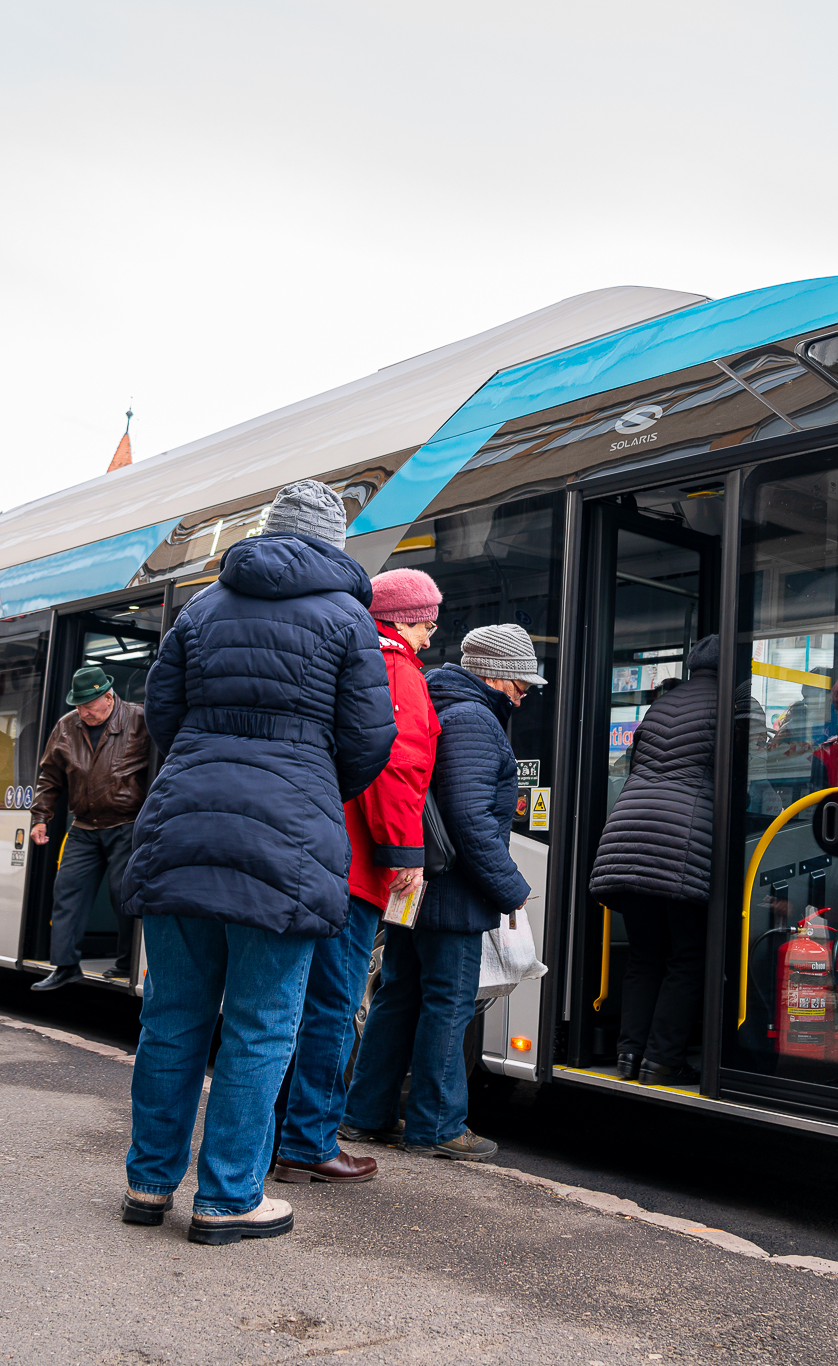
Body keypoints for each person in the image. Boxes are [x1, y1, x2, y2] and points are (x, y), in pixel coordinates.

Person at [120, 480, 394, 1244]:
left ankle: (148, 1186)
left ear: (269, 534)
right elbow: (371, 738)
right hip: (289, 837)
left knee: (171, 1019)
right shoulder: (347, 617)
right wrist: (308, 780)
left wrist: (206, 765)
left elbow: (162, 716)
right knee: (262, 1025)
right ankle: (228, 1198)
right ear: (333, 543)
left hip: (182, 826)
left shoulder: (202, 608)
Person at [342, 623, 540, 1162]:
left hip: (419, 887)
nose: (524, 695)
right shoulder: (475, 720)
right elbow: (469, 817)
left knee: (397, 998)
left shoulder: (441, 703)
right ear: (495, 675)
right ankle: (437, 1126)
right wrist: (510, 887)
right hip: (453, 893)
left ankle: (364, 1115)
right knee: (447, 1006)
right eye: (522, 683)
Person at [272, 568, 443, 1185]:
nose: (431, 633)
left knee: (289, 1001)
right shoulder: (395, 668)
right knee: (333, 1004)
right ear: (403, 619)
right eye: (427, 619)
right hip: (357, 863)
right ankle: (309, 1142)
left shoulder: (344, 653)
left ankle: (279, 1136)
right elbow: (396, 767)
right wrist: (404, 852)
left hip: (317, 853)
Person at [590, 634, 759, 1086]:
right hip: (680, 841)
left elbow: (635, 766)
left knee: (646, 954)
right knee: (689, 955)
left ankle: (630, 1056)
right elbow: (741, 780)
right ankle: (663, 1061)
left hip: (627, 833)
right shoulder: (736, 705)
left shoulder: (662, 704)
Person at [27, 665, 151, 990]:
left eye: (89, 706)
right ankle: (65, 966)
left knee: (123, 895)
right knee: (67, 890)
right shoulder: (67, 727)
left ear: (108, 697)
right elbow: (50, 776)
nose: (83, 712)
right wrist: (41, 817)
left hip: (126, 823)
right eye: (79, 706)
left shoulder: (140, 720)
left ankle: (126, 962)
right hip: (83, 826)